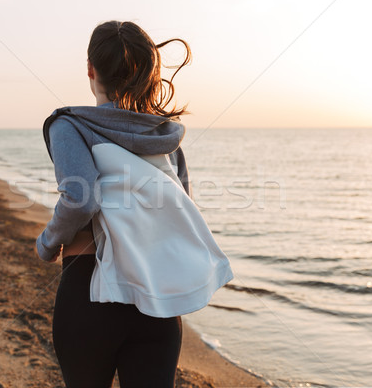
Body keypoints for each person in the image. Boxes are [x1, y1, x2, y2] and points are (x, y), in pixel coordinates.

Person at [36, 20, 232, 388]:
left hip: (89, 292)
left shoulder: (69, 125)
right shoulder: (165, 138)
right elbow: (179, 215)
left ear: (91, 69)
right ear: (147, 74)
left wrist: (46, 243)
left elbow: (80, 199)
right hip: (156, 300)